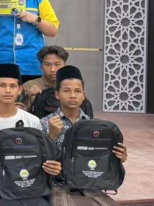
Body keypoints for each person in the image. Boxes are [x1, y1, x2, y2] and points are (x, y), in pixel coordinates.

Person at [0, 63, 62, 205]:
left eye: (12, 86)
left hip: (25, 183)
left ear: (20, 90)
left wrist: (52, 166)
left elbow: (37, 159)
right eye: (2, 85)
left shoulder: (31, 121)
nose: (7, 90)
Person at [40, 65, 127, 206]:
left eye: (77, 91)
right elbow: (37, 161)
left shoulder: (95, 127)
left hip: (90, 185)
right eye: (66, 91)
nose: (72, 95)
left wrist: (118, 158)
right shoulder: (45, 123)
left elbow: (101, 159)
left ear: (83, 95)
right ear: (57, 94)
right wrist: (51, 137)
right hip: (58, 186)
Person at [22, 46, 68, 110]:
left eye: (57, 64)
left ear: (64, 66)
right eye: (48, 65)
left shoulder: (72, 86)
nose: (52, 69)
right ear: (41, 67)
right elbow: (19, 112)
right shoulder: (29, 85)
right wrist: (27, 97)